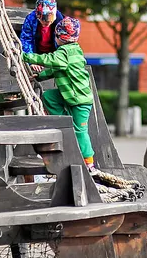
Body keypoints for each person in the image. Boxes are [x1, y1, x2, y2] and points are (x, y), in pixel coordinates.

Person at [22, 17, 96, 171]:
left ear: (59, 38)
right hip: (70, 96)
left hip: (80, 101)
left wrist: (24, 56)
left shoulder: (64, 53)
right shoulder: (74, 49)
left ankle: (89, 162)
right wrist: (39, 76)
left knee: (80, 131)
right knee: (49, 97)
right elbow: (56, 69)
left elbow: (48, 60)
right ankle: (63, 121)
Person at [20, 0, 65, 72]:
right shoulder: (31, 19)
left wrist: (56, 62)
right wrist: (32, 61)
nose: (47, 23)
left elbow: (64, 44)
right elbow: (26, 40)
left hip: (54, 55)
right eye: (44, 20)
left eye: (50, 20)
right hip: (37, 53)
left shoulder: (62, 22)